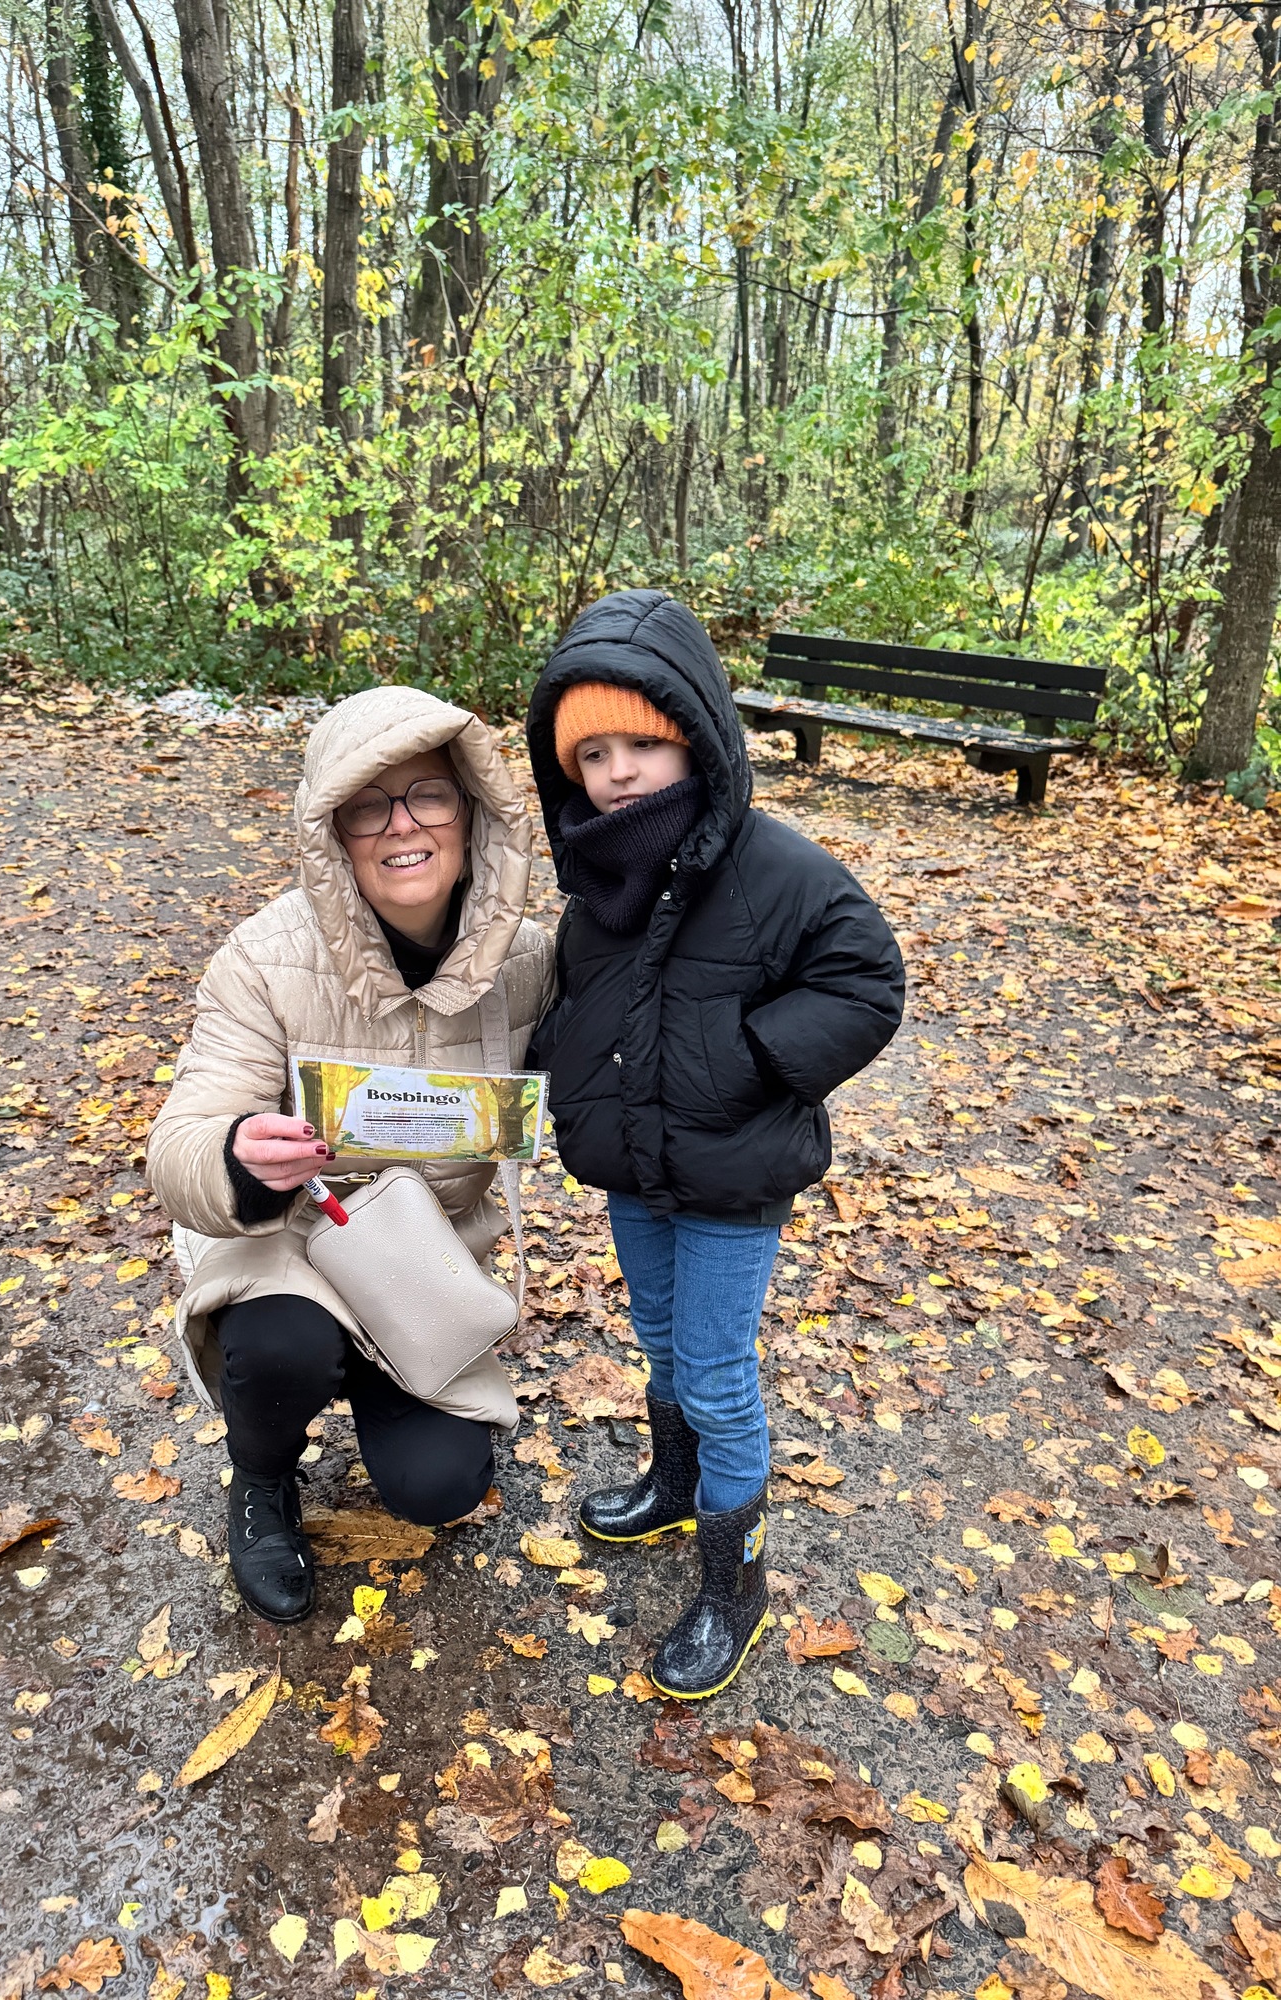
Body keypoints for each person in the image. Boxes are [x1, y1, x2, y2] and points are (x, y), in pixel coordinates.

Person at [525, 590, 904, 1699]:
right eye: (592, 754)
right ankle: (676, 1484)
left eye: (640, 744)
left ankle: (735, 1585)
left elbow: (866, 982)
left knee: (718, 1373)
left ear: (694, 736)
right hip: (635, 1168)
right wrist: (558, 1071)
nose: (618, 773)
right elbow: (583, 1003)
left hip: (733, 1175)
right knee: (660, 1342)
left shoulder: (780, 870)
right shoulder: (599, 883)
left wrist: (744, 1058)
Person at [148, 688, 553, 1626]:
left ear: (473, 813)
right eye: (367, 807)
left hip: (424, 1259)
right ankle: (260, 1479)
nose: (401, 826)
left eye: (428, 796)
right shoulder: (264, 957)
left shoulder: (531, 961)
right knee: (283, 1346)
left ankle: (383, 1371)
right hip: (294, 1244)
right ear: (331, 832)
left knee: (439, 1488)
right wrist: (236, 1156)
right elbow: (179, 1140)